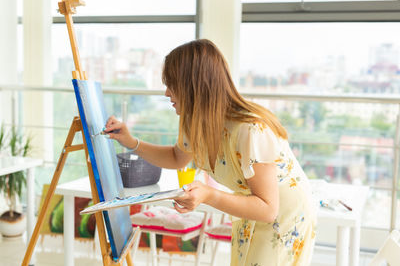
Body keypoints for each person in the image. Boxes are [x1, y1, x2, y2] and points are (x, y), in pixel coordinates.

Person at [105, 39, 316, 266]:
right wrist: (130, 142)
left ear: (195, 86)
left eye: (172, 84)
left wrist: (209, 194)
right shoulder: (194, 121)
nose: (166, 93)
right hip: (253, 209)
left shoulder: (251, 130)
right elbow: (177, 157)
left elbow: (267, 209)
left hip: (284, 217)